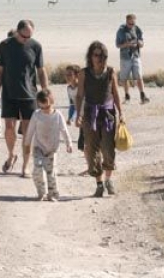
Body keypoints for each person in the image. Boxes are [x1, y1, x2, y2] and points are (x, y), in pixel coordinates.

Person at [0, 19, 48, 178]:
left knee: (27, 131)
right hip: (9, 93)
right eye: (24, 37)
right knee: (9, 128)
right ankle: (11, 155)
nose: (26, 39)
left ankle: (25, 166)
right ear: (17, 32)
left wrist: (45, 92)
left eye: (29, 36)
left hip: (29, 94)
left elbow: (41, 70)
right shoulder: (5, 45)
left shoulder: (36, 46)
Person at [75, 41, 124, 197]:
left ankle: (109, 180)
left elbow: (115, 93)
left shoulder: (110, 72)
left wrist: (121, 113)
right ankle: (99, 184)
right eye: (96, 55)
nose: (99, 58)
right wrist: (79, 115)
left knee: (108, 148)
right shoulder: (83, 73)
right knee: (91, 149)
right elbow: (80, 95)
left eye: (102, 55)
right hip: (90, 113)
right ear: (90, 56)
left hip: (108, 113)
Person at [24, 89, 72, 201]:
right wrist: (27, 145)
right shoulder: (36, 115)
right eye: (42, 107)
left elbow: (64, 130)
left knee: (51, 173)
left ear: (52, 102)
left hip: (51, 149)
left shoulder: (58, 115)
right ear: (38, 105)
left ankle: (53, 194)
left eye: (47, 107)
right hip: (38, 148)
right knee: (37, 170)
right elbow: (30, 130)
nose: (45, 110)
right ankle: (41, 192)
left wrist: (68, 143)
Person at [115, 13, 150, 104]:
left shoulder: (137, 29)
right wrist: (126, 44)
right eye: (130, 24)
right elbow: (117, 45)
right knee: (125, 78)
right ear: (126, 21)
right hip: (125, 57)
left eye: (133, 23)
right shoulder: (121, 31)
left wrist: (139, 43)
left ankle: (143, 96)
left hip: (136, 55)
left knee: (139, 76)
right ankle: (127, 97)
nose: (132, 25)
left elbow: (142, 43)